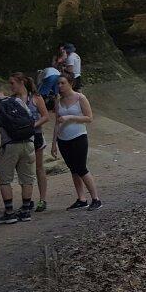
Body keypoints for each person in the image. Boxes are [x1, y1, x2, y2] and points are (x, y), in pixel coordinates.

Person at [0, 81, 36, 225]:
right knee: (27, 179)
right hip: (28, 143)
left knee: (5, 180)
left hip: (9, 146)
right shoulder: (17, 100)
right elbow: (31, 120)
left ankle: (10, 213)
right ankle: (25, 211)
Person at [51, 75, 101, 211]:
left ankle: (96, 198)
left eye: (62, 83)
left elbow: (89, 118)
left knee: (81, 168)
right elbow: (57, 122)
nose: (59, 86)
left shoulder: (80, 98)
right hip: (63, 139)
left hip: (78, 136)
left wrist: (71, 117)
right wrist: (54, 143)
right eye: (58, 84)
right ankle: (81, 198)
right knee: (73, 169)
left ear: (70, 83)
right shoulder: (58, 101)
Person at [16, 74, 51, 212]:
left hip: (35, 135)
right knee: (23, 169)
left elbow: (46, 116)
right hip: (21, 137)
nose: (11, 86)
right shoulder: (13, 99)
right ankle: (28, 199)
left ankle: (42, 200)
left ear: (22, 83)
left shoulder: (36, 98)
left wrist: (32, 125)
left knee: (39, 167)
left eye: (13, 83)